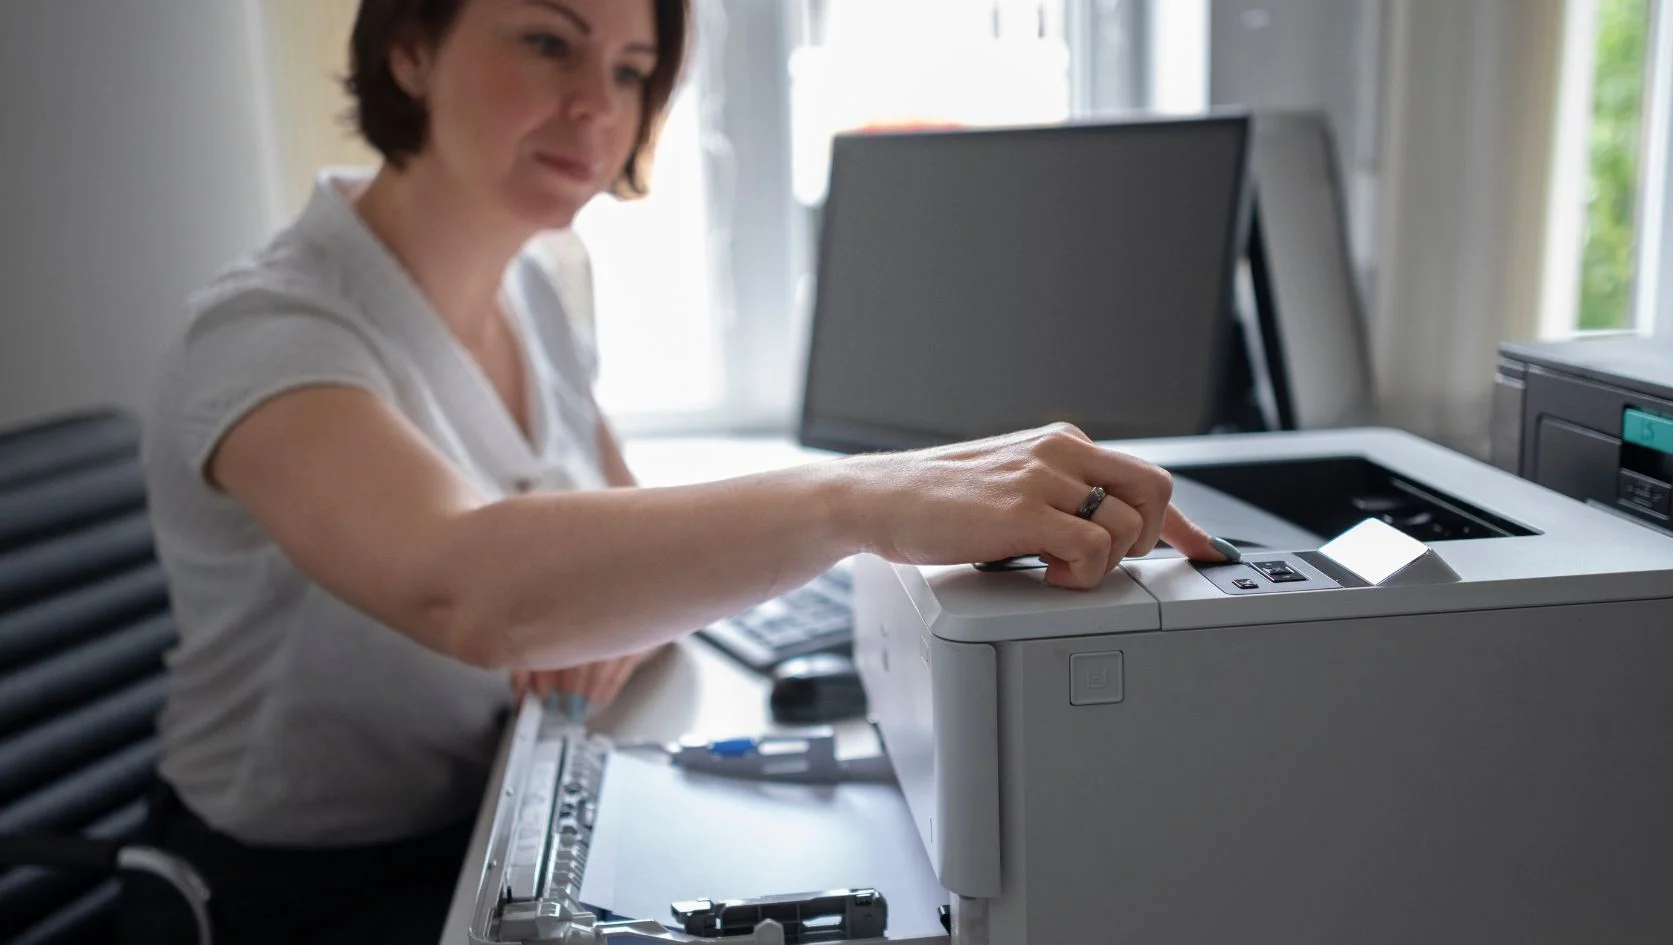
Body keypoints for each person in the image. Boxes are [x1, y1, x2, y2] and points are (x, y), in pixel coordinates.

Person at [119, 0, 1234, 942]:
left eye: (632, 67)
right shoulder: (268, 333)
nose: (599, 107)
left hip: (505, 803)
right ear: (410, 47)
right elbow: (469, 588)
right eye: (548, 43)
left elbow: (614, 538)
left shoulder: (535, 288)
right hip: (301, 888)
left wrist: (605, 613)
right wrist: (868, 498)